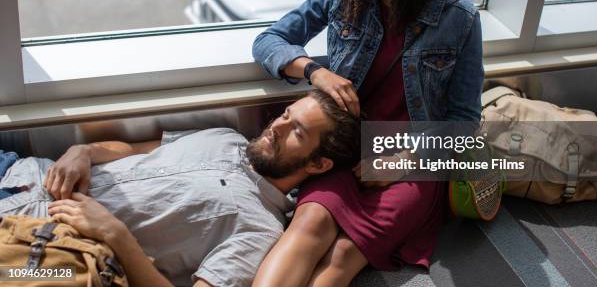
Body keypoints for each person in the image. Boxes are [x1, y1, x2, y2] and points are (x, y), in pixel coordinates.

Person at [252, 0, 484, 286]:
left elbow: (464, 121)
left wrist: (402, 163)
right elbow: (269, 40)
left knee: (344, 252)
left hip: (414, 162)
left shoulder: (458, 18)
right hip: (347, 150)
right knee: (309, 223)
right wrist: (315, 71)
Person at [0, 90, 360, 287]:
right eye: (286, 114)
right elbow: (134, 149)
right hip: (16, 170)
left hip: (38, 246)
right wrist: (84, 151)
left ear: (318, 164)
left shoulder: (259, 230)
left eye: (297, 131)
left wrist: (115, 234)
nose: (277, 127)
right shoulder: (226, 136)